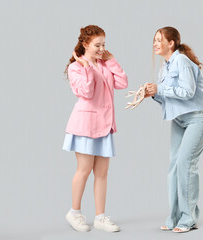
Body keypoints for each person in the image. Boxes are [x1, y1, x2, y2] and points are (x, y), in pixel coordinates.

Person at [146, 26, 203, 233]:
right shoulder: (164, 67)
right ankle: (174, 217)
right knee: (174, 167)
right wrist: (153, 94)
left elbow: (187, 91)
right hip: (179, 120)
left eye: (159, 40)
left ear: (171, 43)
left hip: (197, 118)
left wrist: (161, 89)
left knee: (186, 164)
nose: (155, 43)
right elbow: (169, 98)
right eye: (154, 40)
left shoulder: (182, 61)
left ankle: (188, 218)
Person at [63, 25, 128, 232]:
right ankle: (74, 213)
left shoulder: (104, 63)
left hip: (105, 124)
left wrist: (111, 60)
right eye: (97, 45)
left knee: (102, 172)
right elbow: (87, 92)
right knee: (84, 170)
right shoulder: (76, 67)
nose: (102, 49)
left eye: (104, 44)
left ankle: (100, 217)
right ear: (85, 44)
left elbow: (122, 82)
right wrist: (87, 66)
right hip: (85, 125)